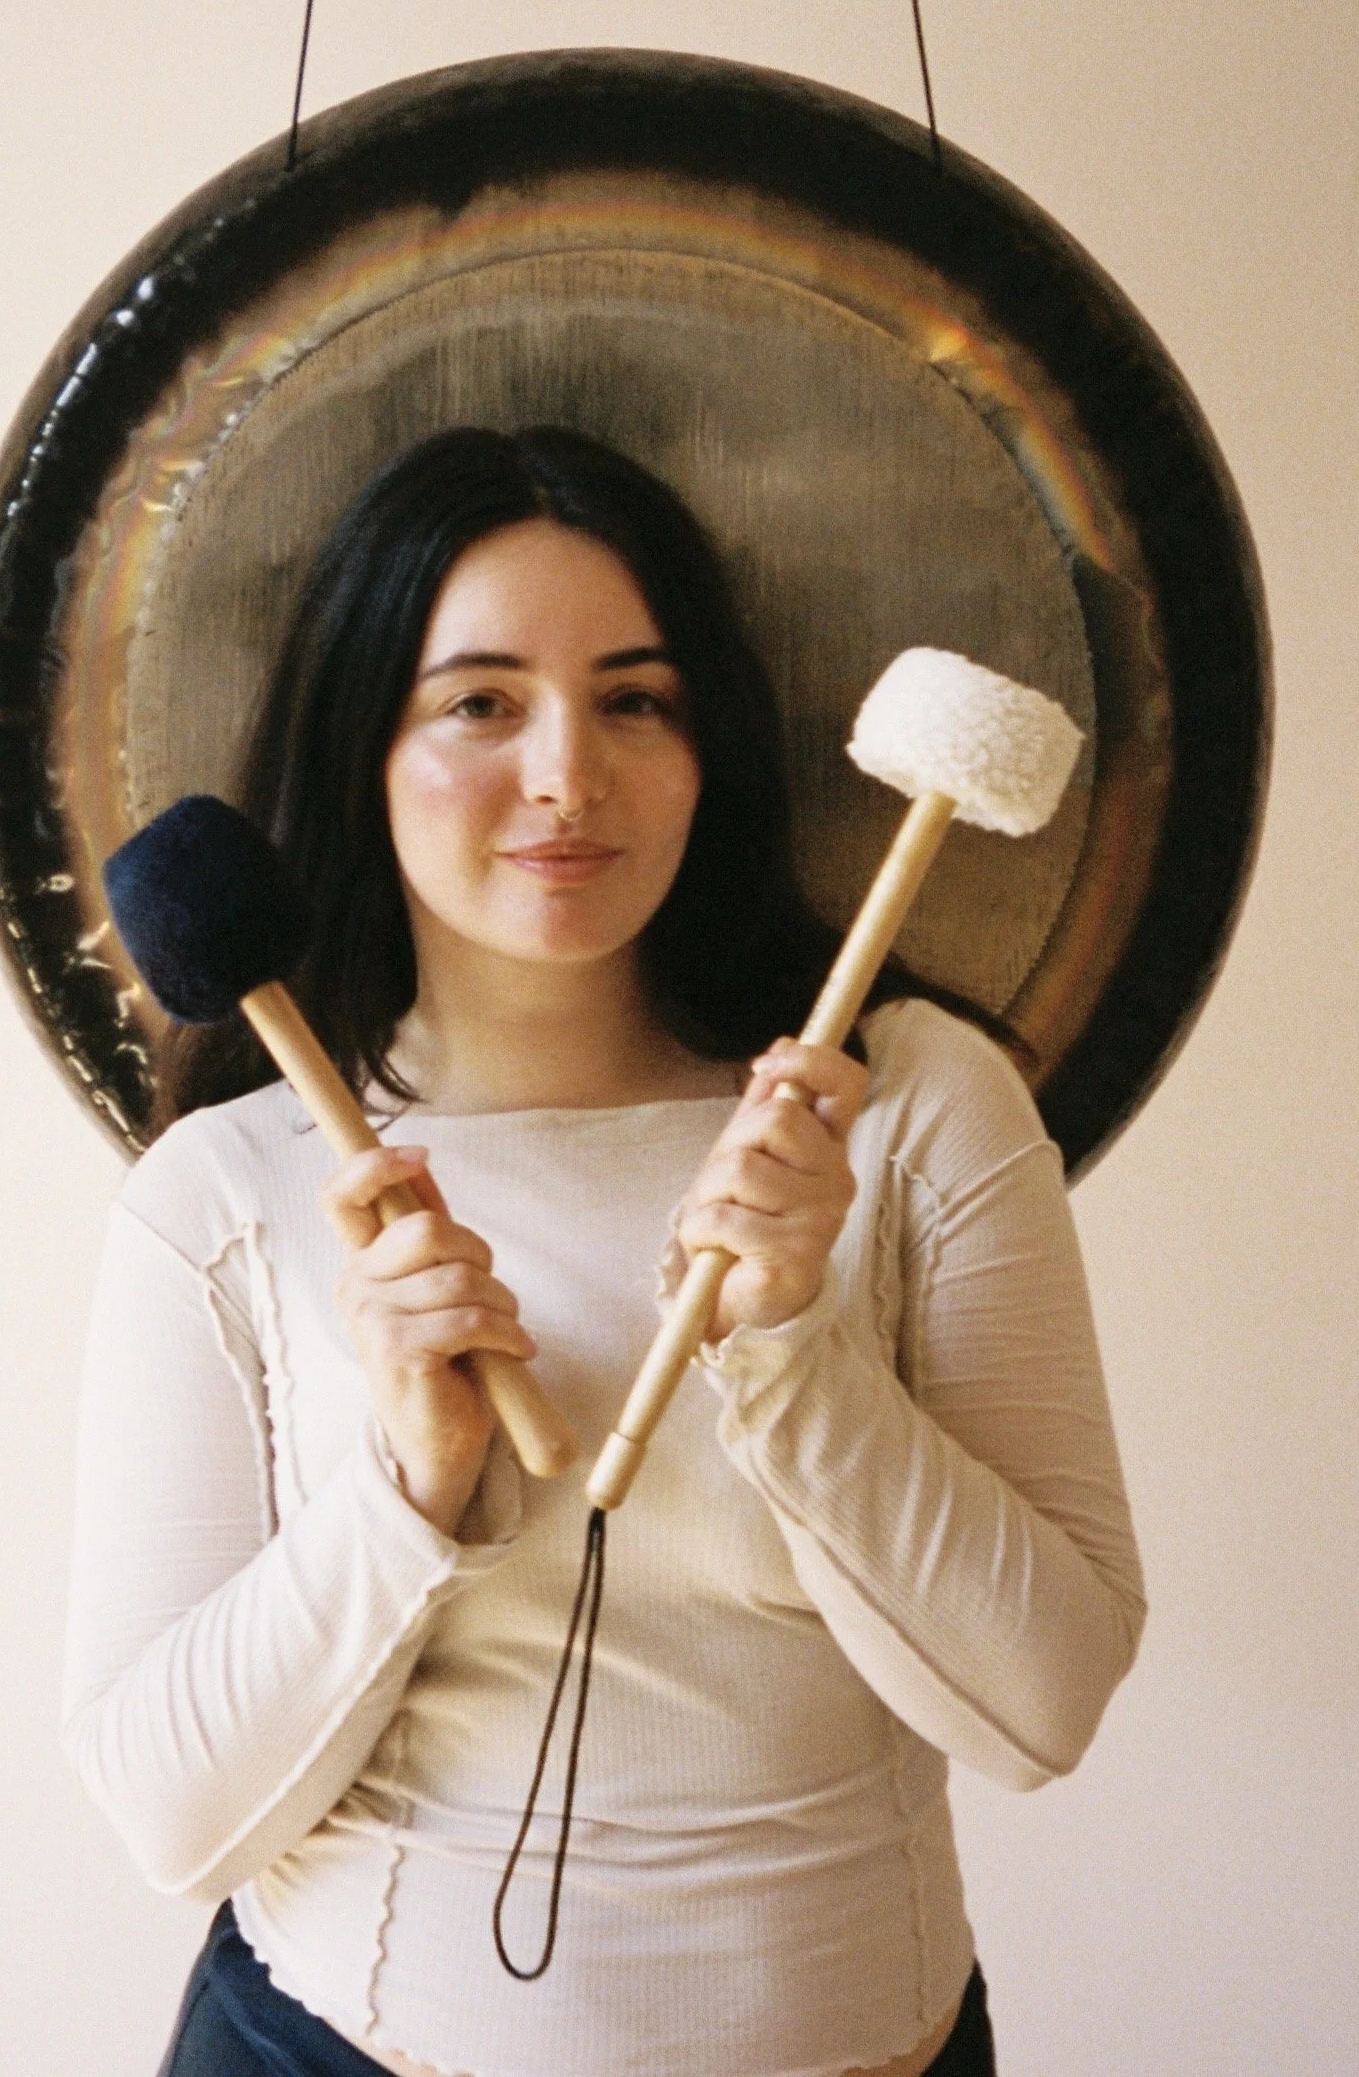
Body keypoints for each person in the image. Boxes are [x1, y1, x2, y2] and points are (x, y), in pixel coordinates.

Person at [63, 426, 1145, 2077]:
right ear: (366, 741)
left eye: (635, 698)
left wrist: (796, 1350)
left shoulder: (911, 1099)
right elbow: (167, 1812)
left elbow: (1044, 1699)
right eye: (480, 701)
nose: (568, 774)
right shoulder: (232, 1186)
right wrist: (405, 1482)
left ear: (712, 744)